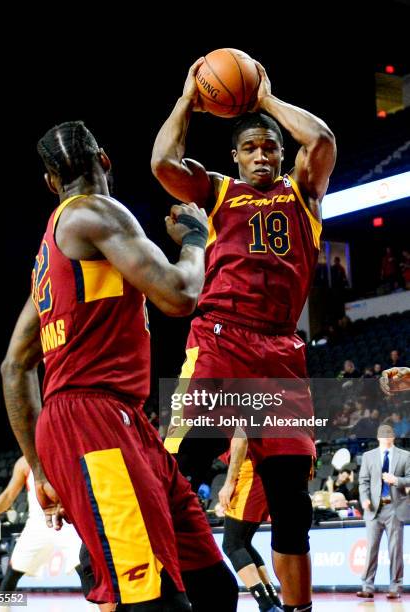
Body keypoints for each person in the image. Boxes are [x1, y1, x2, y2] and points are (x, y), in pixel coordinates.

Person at [1, 121, 237, 611]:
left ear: (50, 182)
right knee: (151, 601)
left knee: (213, 586)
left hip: (118, 421)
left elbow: (13, 366)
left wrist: (41, 471)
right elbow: (180, 293)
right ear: (105, 161)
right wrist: (196, 238)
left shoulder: (52, 255)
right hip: (92, 423)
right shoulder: (97, 212)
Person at [152, 56, 336, 612]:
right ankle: (166, 594)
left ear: (282, 154)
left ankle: (297, 609)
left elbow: (322, 139)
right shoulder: (217, 191)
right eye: (251, 147)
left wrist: (264, 100)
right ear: (234, 156)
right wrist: (188, 97)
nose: (262, 154)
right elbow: (162, 161)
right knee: (176, 474)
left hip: (280, 352)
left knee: (291, 503)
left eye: (270, 147)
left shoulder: (304, 193)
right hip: (220, 340)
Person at [0, 456, 82, 593]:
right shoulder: (24, 462)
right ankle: (1, 608)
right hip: (37, 525)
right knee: (13, 572)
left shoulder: (63, 451)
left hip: (66, 521)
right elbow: (9, 495)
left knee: (85, 569)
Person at [218, 430, 281, 612]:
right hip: (258, 471)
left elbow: (241, 438)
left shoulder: (230, 404)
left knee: (232, 544)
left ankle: (267, 606)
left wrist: (229, 483)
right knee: (243, 542)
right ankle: (272, 602)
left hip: (250, 472)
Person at [357, 424, 410, 600]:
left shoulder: (405, 456)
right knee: (371, 548)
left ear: (393, 437)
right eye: (383, 435)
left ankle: (395, 587)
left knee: (395, 550)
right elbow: (363, 481)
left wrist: (396, 480)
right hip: (373, 510)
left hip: (395, 509)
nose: (386, 437)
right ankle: (367, 586)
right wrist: (364, 499)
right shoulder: (368, 456)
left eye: (389, 434)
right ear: (378, 438)